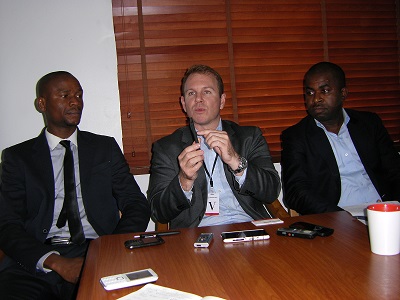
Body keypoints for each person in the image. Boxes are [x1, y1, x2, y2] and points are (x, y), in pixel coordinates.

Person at [0, 71, 151, 299]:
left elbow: (136, 204)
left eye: (79, 95)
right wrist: (55, 262)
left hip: (97, 251)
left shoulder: (104, 148)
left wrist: (110, 249)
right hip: (36, 259)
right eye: (64, 95)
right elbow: (7, 223)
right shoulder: (17, 158)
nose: (75, 101)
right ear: (42, 104)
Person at [148, 64, 281, 229]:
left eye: (207, 92)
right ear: (183, 103)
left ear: (222, 101)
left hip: (248, 226)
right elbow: (158, 212)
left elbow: (271, 191)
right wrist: (184, 181)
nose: (198, 99)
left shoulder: (249, 137)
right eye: (191, 93)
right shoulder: (166, 148)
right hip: (196, 235)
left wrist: (236, 162)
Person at [281, 61, 400, 215]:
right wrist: (339, 216)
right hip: (338, 217)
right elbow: (296, 192)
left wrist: (392, 207)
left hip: (384, 210)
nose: (316, 99)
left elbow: (395, 171)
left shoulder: (369, 124)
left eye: (324, 91)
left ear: (343, 93)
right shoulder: (296, 136)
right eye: (310, 92)